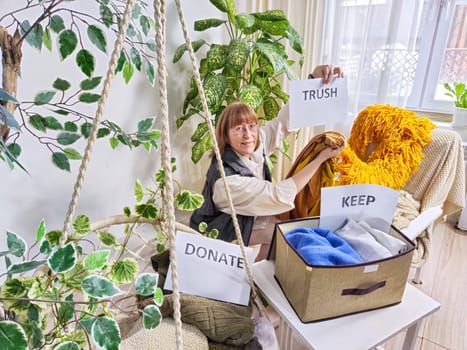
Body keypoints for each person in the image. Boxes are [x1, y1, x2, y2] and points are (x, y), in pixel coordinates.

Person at [189, 65, 346, 260]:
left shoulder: (254, 144)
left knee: (279, 229)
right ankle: (247, 275)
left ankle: (259, 270)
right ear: (226, 137)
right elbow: (279, 195)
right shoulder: (227, 181)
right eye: (239, 129)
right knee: (280, 235)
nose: (248, 135)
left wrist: (314, 80)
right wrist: (319, 159)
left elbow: (284, 123)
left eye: (252, 126)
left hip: (243, 215)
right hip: (216, 230)